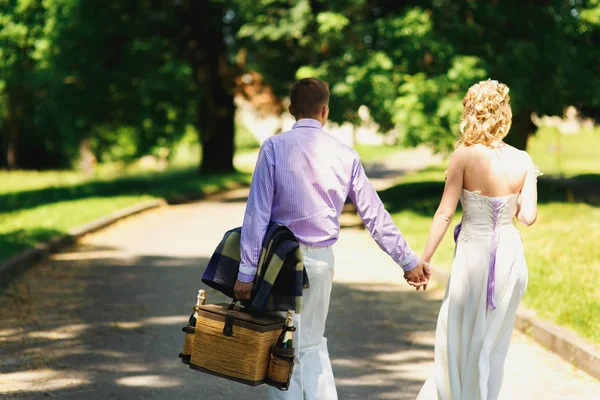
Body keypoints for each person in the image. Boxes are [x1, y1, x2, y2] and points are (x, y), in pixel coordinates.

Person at [234, 77, 430, 399]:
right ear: (325, 111)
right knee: (311, 341)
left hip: (279, 263)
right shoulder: (345, 154)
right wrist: (407, 261)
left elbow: (257, 214)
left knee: (281, 343)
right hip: (321, 261)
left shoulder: (273, 147)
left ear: (291, 109)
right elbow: (373, 214)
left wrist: (245, 272)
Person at [416, 79, 538, 400]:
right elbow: (527, 217)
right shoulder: (523, 160)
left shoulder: (463, 156)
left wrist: (424, 259)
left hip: (473, 255)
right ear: (505, 114)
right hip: (509, 257)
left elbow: (444, 213)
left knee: (458, 333)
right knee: (493, 342)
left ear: (471, 112)